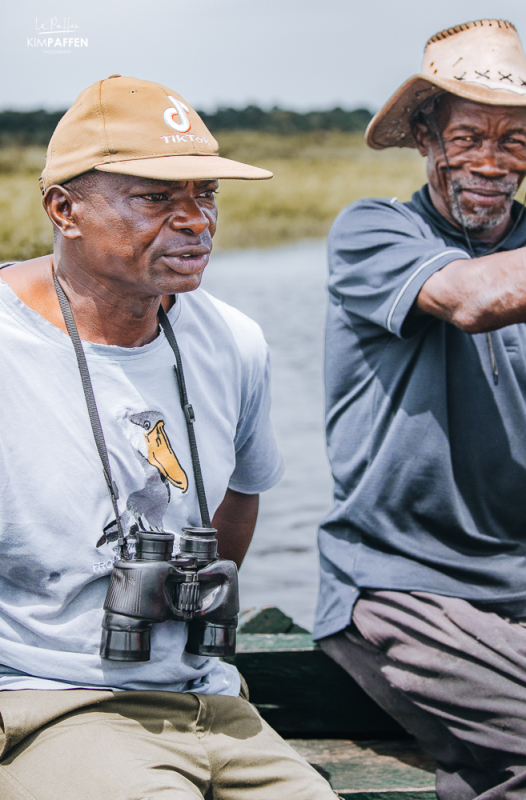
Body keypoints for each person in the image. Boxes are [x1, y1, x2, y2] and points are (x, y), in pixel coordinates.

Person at [0, 75, 336, 799]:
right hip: (57, 702)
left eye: (206, 194)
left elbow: (238, 503)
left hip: (212, 698)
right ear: (65, 209)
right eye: (156, 197)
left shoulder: (233, 341)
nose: (195, 220)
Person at [315, 19, 526, 800]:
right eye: (467, 135)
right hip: (403, 588)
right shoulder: (377, 232)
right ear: (423, 137)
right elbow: (475, 297)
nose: (489, 162)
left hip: (522, 593)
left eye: (514, 141)